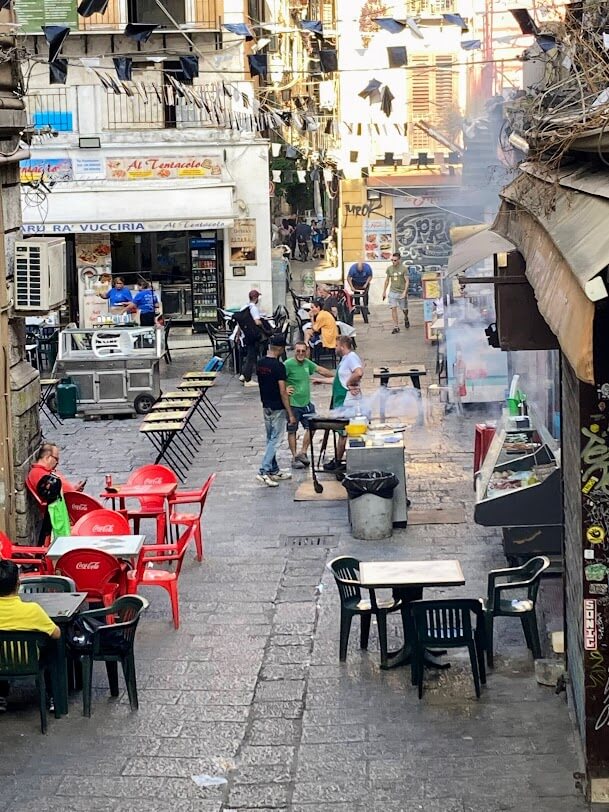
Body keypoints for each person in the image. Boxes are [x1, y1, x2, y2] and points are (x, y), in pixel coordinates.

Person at [0, 559, 60, 713]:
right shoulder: (33, 610)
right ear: (18, 584)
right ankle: (54, 696)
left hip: (2, 664)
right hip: (30, 661)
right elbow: (56, 633)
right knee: (52, 646)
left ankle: (1, 697)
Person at [315, 336, 364, 472]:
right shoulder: (344, 360)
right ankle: (337, 459)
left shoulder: (352, 357)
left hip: (348, 401)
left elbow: (358, 373)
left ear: (342, 346)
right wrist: (321, 381)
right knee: (341, 433)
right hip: (341, 400)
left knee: (344, 433)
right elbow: (339, 380)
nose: (335, 348)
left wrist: (350, 383)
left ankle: (338, 461)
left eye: (336, 345)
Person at [284, 342, 334, 469]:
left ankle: (303, 452)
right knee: (292, 430)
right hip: (293, 404)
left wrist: (337, 376)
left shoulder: (307, 363)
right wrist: (285, 389)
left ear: (306, 352)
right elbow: (278, 379)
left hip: (306, 403)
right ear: (294, 352)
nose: (300, 353)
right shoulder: (288, 364)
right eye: (298, 351)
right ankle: (294, 456)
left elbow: (320, 370)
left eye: (303, 351)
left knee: (312, 426)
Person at [256, 334, 295, 487]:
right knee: (276, 440)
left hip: (265, 404)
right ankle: (263, 471)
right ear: (279, 348)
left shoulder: (260, 364)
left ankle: (274, 469)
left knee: (270, 438)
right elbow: (282, 391)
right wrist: (290, 413)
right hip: (277, 407)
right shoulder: (279, 366)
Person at [237, 290, 264, 388]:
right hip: (252, 336)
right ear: (255, 298)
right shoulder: (253, 308)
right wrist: (263, 323)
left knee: (249, 354)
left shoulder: (244, 307)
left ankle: (244, 375)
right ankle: (247, 379)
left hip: (245, 335)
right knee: (251, 356)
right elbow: (257, 322)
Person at [382, 252, 409, 333]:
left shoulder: (404, 269)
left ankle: (406, 317)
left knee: (404, 309)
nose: (393, 262)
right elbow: (387, 280)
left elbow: (407, 281)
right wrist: (384, 291)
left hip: (401, 291)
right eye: (392, 260)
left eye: (395, 260)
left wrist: (405, 292)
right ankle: (396, 326)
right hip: (392, 291)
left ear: (399, 260)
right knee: (393, 308)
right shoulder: (389, 269)